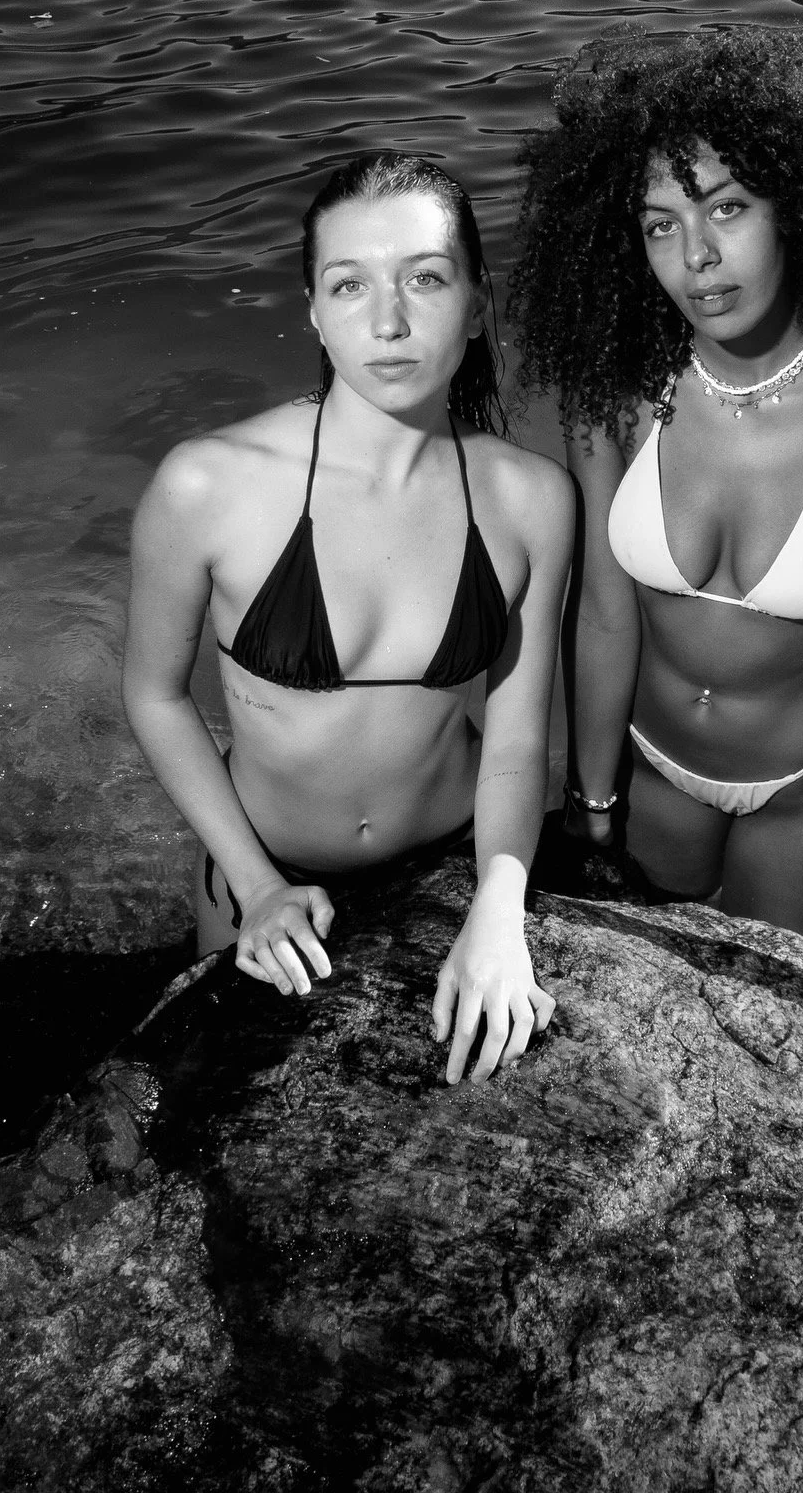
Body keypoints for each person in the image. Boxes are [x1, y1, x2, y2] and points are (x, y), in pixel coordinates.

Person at [509, 24, 803, 1140]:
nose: (696, 257)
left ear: (801, 208)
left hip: (798, 802)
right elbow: (607, 616)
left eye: (726, 208)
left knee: (774, 1083)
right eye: (661, 225)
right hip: (655, 781)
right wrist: (593, 811)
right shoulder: (622, 395)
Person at [124, 151, 573, 1085]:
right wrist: (254, 888)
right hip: (263, 871)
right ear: (315, 313)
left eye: (425, 278)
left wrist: (499, 904)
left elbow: (517, 743)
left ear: (479, 302)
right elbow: (157, 696)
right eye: (349, 285)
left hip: (454, 861)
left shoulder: (533, 498)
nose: (391, 320)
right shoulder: (208, 483)